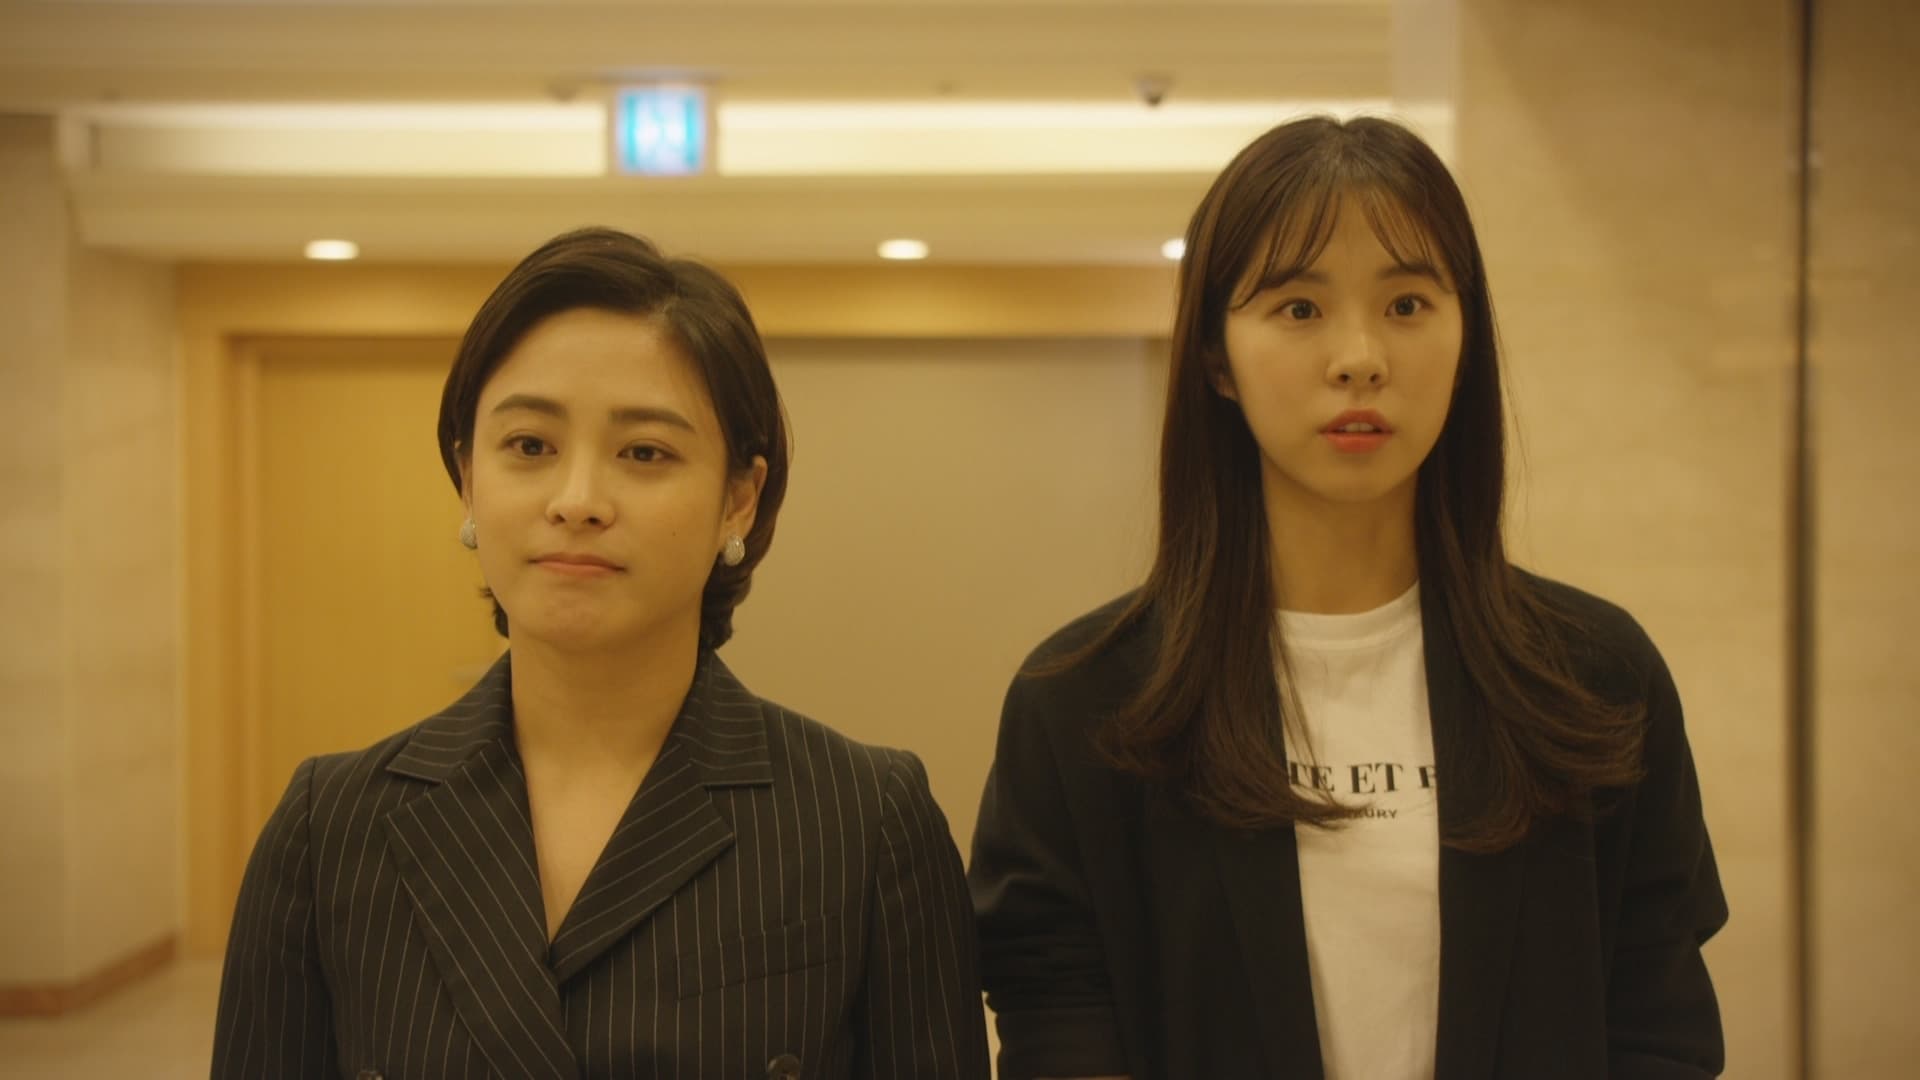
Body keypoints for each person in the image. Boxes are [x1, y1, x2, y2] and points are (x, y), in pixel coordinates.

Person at [969, 117, 1727, 1080]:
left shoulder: (1596, 675)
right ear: (1216, 359)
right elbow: (1058, 1025)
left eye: (1407, 303)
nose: (1360, 357)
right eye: (1299, 308)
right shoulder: (1086, 699)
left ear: (1465, 338)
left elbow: (1658, 1028)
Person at [213, 227, 989, 1080]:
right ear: (468, 479)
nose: (577, 500)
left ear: (739, 498)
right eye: (530, 447)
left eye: (644, 453)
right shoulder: (329, 829)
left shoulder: (865, 821)